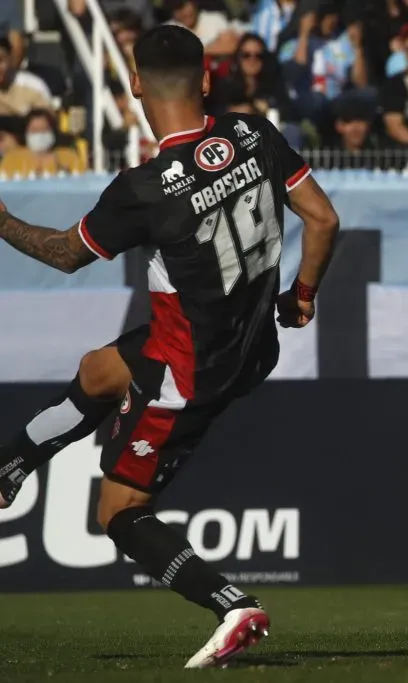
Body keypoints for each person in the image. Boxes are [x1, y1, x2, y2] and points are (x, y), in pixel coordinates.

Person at [0, 25, 339, 668]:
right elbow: (324, 219)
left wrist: (3, 222)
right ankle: (11, 465)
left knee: (119, 513)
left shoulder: (146, 187)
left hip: (188, 372)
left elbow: (67, 253)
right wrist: (303, 293)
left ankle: (232, 604)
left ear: (132, 86)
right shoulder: (254, 134)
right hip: (250, 343)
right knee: (98, 371)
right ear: (207, 78)